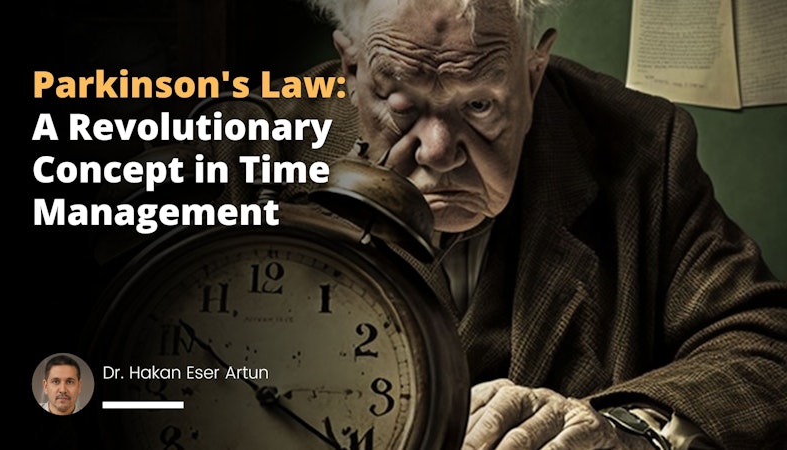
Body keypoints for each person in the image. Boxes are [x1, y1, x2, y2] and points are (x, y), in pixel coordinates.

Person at [189, 0, 787, 448]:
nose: (439, 151)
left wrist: (624, 430)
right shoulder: (239, 153)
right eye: (402, 107)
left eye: (479, 105)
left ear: (532, 72)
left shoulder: (641, 146)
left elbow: (766, 345)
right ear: (351, 68)